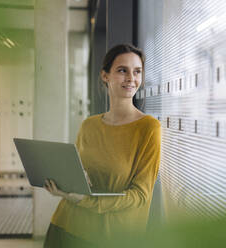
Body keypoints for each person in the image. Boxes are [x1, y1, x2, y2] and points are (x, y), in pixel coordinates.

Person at [43, 43, 161, 247]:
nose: (131, 78)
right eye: (122, 70)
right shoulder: (89, 125)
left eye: (137, 72)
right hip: (67, 225)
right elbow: (78, 175)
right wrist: (64, 186)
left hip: (112, 236)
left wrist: (83, 199)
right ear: (105, 76)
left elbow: (140, 196)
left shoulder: (149, 128)